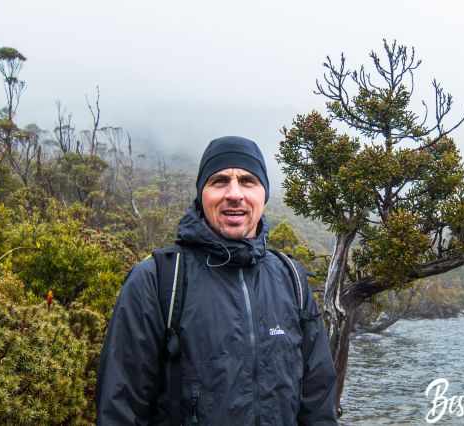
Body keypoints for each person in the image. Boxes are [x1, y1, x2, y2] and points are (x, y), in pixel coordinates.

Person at [95, 136, 338, 425]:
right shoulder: (157, 280)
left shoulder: (291, 280)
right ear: (202, 194)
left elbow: (318, 404)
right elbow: (120, 409)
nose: (234, 193)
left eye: (248, 181)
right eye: (220, 181)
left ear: (264, 194)